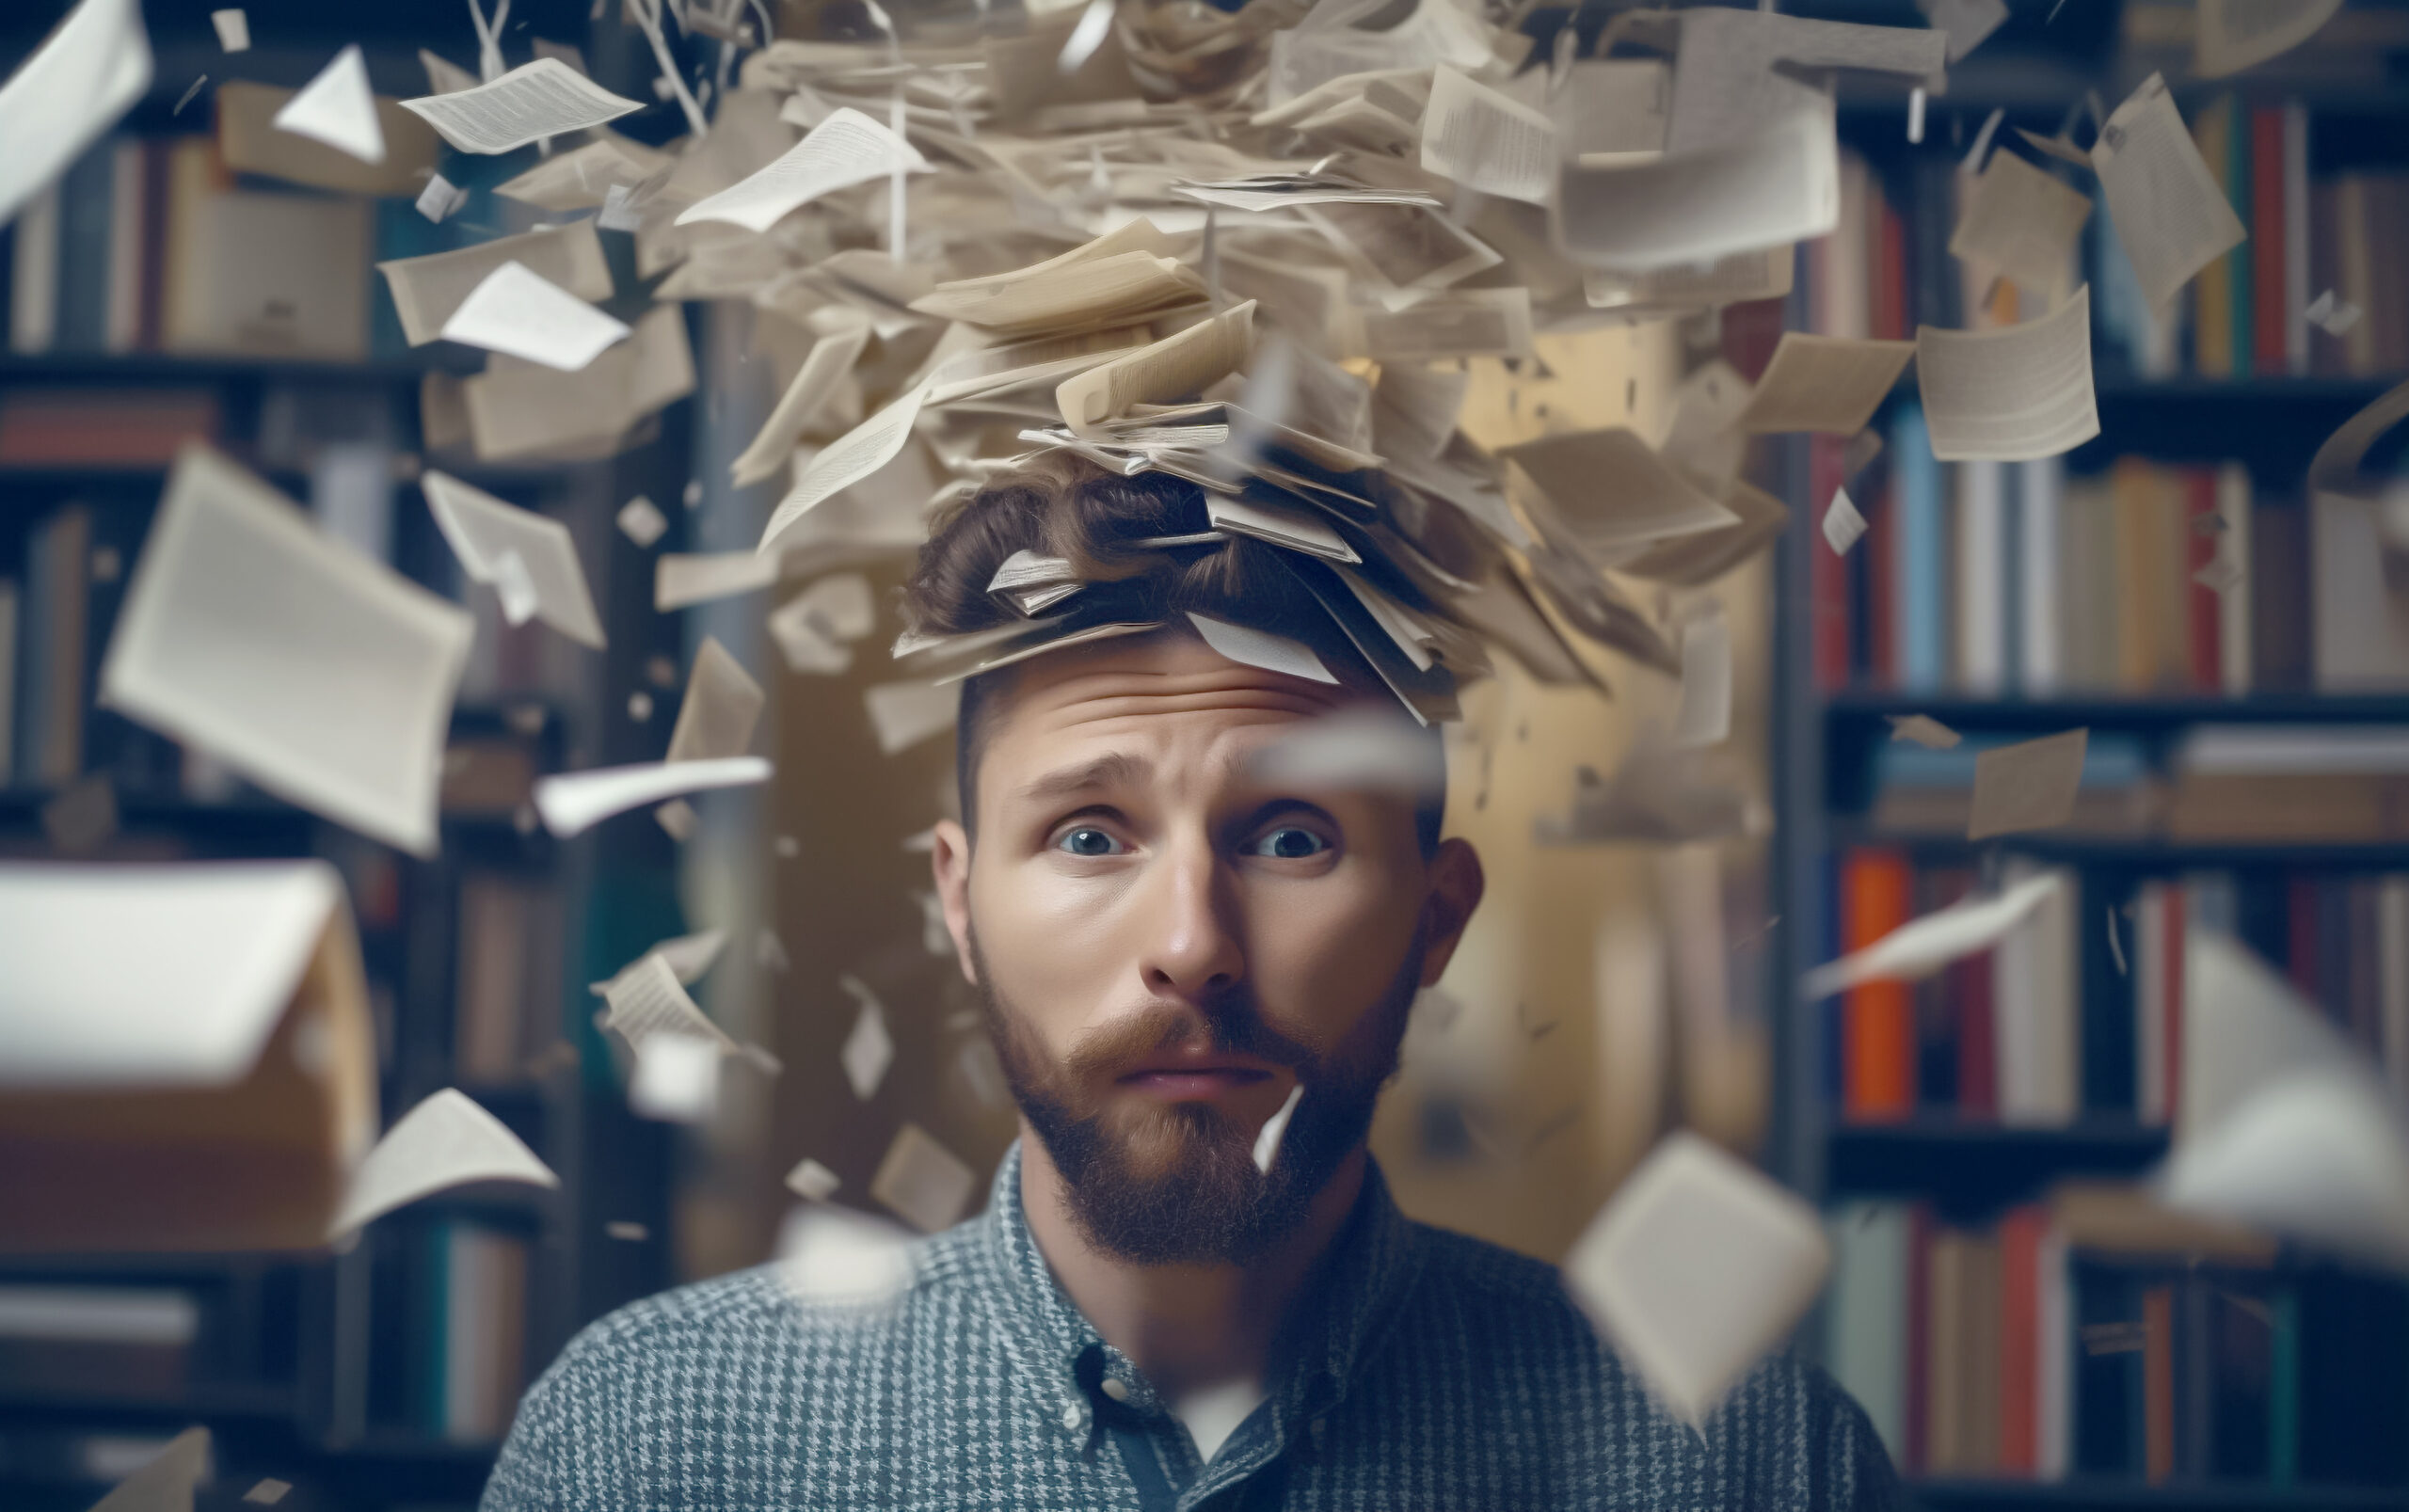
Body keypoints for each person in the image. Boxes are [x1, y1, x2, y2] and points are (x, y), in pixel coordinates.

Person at [480, 457, 1899, 1510]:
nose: (1194, 943)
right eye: (1089, 834)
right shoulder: (648, 1447)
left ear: (1434, 919)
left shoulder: (1754, 1464)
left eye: (1292, 836)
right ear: (961, 906)